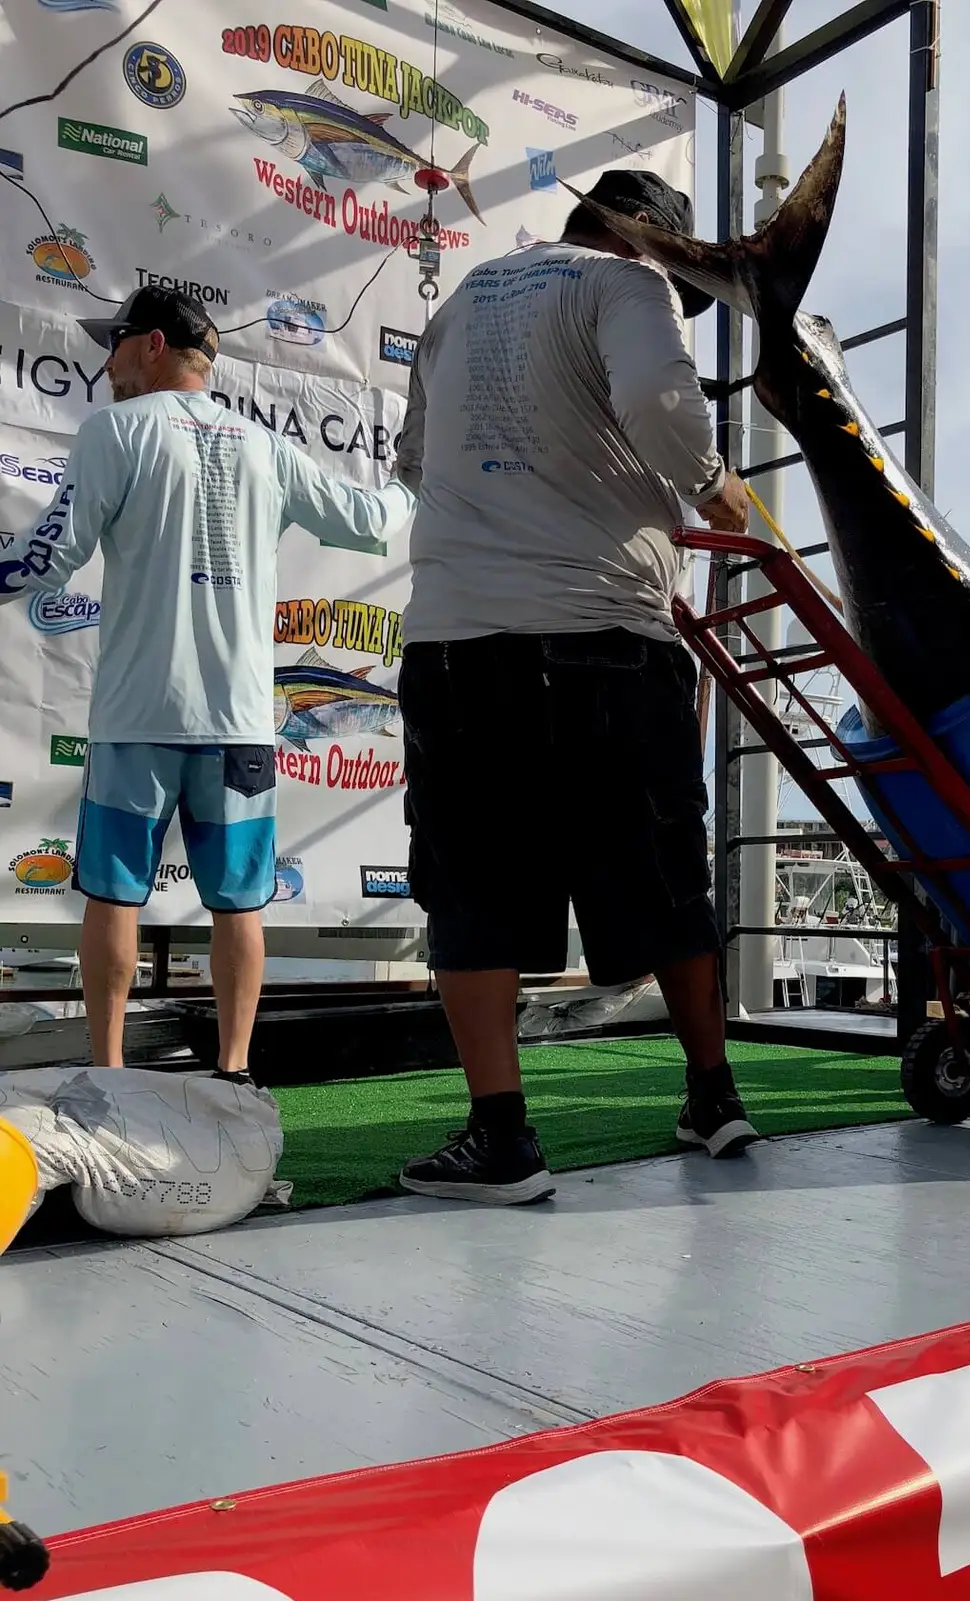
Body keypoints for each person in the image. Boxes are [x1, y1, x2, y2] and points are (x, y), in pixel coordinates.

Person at [393, 170, 756, 1206]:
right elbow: (658, 403)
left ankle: (501, 1137)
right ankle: (714, 1095)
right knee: (665, 874)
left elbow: (414, 458)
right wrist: (713, 482)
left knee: (471, 885)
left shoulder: (464, 300)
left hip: (464, 639)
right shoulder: (629, 284)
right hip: (610, 636)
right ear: (656, 245)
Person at [0, 287, 414, 1081]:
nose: (107, 364)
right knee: (240, 903)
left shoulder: (116, 430)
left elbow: (47, 557)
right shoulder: (266, 446)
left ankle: (109, 1077)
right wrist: (412, 482)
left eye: (116, 344)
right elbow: (367, 522)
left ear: (153, 344)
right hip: (240, 724)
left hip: (137, 717)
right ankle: (234, 1075)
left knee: (113, 895)